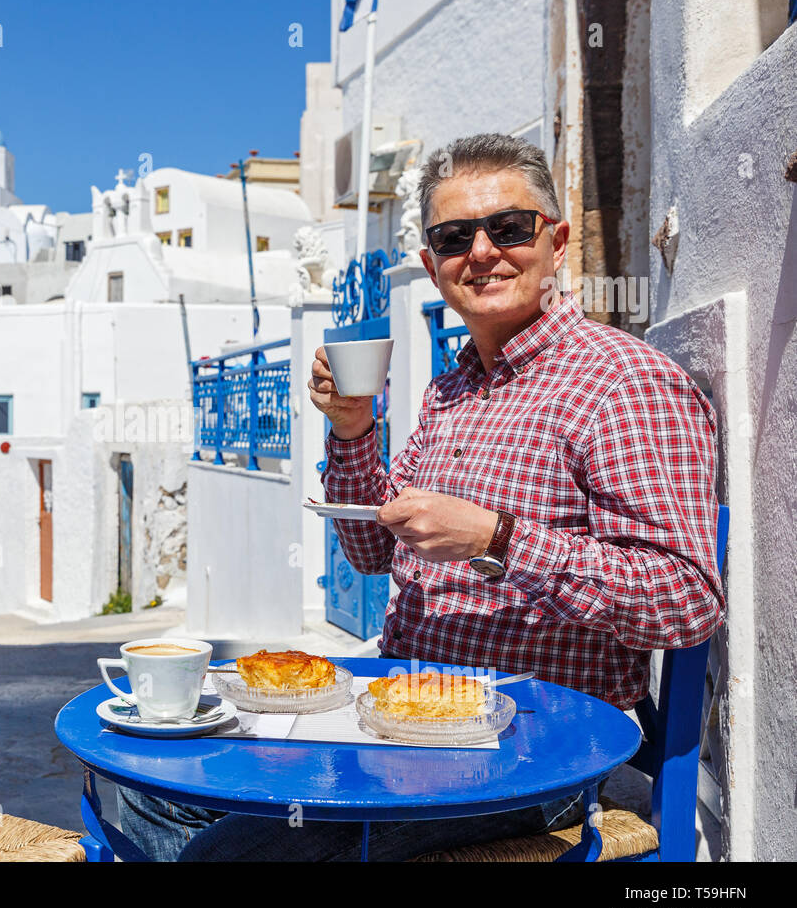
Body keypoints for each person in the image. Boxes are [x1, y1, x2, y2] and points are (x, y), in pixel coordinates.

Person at [116, 133, 724, 861]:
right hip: (390, 719)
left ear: (556, 242)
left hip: (529, 751)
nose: (482, 251)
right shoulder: (450, 389)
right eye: (454, 237)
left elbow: (686, 601)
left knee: (222, 855)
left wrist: (497, 539)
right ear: (433, 266)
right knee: (146, 784)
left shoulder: (622, 384)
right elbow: (373, 551)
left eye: (508, 227)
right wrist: (351, 429)